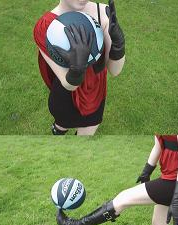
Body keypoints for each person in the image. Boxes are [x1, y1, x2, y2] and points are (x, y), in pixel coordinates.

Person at [33, 0, 125, 135]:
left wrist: (118, 46)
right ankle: (59, 129)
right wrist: (76, 70)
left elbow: (115, 70)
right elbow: (68, 83)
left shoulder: (103, 13)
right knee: (62, 122)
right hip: (66, 95)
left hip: (95, 94)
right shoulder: (45, 27)